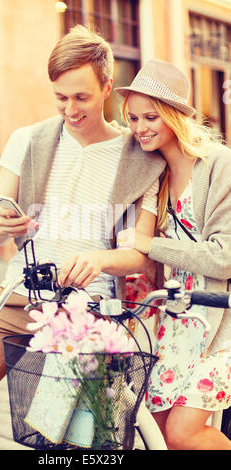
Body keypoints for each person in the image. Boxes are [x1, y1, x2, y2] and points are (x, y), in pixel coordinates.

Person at [0, 26, 165, 450]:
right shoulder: (28, 140)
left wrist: (100, 260)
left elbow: (139, 252)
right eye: (60, 97)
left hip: (90, 315)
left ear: (106, 87)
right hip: (18, 300)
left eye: (81, 97)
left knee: (76, 444)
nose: (70, 109)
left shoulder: (136, 157)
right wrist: (3, 226)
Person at [115, 58, 231, 450]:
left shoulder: (219, 165)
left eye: (151, 117)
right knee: (159, 434)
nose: (140, 128)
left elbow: (223, 257)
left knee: (184, 434)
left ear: (174, 116)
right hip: (175, 320)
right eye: (133, 118)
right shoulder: (153, 174)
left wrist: (150, 245)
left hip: (222, 319)